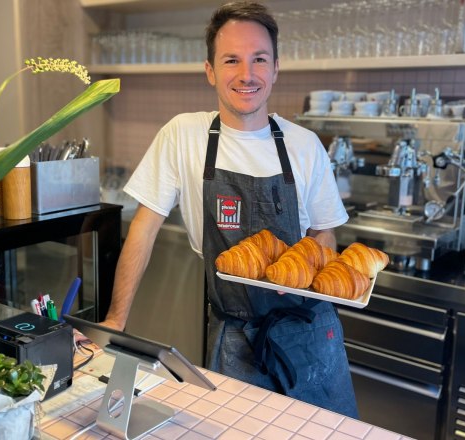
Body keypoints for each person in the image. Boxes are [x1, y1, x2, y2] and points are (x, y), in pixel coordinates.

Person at [100, 1, 357, 417]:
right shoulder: (183, 135)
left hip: (307, 332)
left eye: (259, 59)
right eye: (232, 60)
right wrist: (115, 320)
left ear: (276, 68)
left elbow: (324, 234)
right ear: (210, 71)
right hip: (233, 334)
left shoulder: (304, 145)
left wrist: (303, 278)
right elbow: (143, 229)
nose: (247, 74)